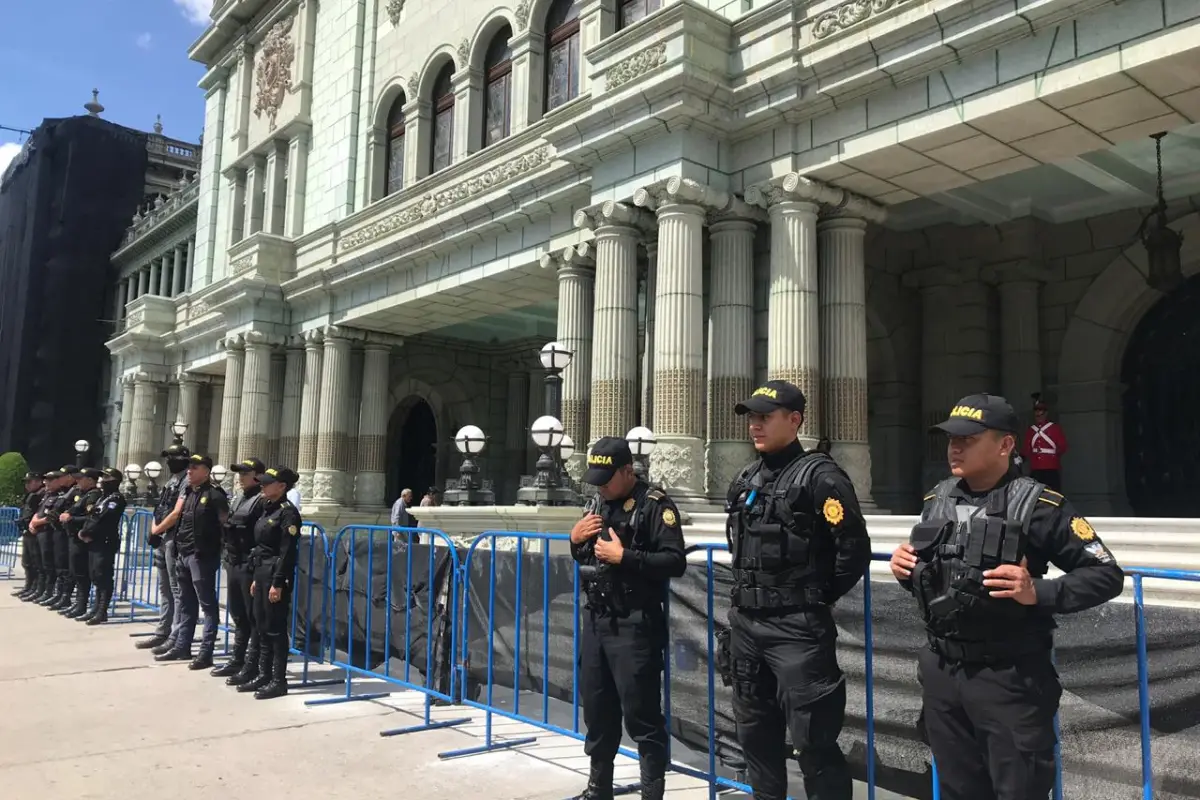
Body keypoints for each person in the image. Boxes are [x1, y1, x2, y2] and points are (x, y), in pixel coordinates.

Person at [889, 393, 1124, 800]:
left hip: (1008, 677)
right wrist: (905, 569)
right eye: (950, 439)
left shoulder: (1041, 506)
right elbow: (942, 578)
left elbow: (1106, 575)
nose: (955, 447)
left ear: (1005, 444)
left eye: (969, 438)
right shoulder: (937, 500)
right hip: (944, 673)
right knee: (957, 788)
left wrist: (1039, 591)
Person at [722, 380, 871, 800]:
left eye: (765, 417)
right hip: (747, 626)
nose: (755, 425)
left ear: (794, 420)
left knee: (813, 742)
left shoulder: (821, 477)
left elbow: (854, 551)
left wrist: (814, 597)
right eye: (752, 417)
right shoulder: (747, 476)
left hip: (797, 631)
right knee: (755, 735)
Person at [567, 437, 687, 800]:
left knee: (642, 715)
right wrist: (574, 540)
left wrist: (626, 557)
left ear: (627, 470)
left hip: (636, 623)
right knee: (597, 708)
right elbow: (586, 556)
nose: (601, 484)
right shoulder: (597, 503)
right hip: (598, 620)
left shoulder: (655, 505)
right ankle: (598, 787)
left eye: (607, 477)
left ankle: (652, 793)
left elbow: (675, 561)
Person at [153, 453, 229, 668]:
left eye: (195, 467)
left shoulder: (215, 495)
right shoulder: (188, 492)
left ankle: (206, 652)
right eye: (189, 467)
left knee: (208, 606)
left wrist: (217, 551)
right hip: (183, 554)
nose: (189, 471)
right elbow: (181, 522)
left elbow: (226, 527)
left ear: (206, 471)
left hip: (201, 557)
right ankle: (182, 646)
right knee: (186, 603)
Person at [242, 465, 303, 700]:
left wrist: (277, 582)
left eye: (268, 483)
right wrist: (258, 578)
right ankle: (263, 674)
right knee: (260, 625)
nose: (263, 486)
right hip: (261, 572)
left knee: (275, 628)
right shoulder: (268, 509)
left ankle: (278, 680)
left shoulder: (288, 513)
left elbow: (286, 552)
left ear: (282, 487)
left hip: (275, 574)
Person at [213, 458, 267, 685]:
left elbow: (261, 536)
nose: (240, 477)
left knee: (252, 617)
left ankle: (252, 665)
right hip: (234, 562)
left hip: (248, 564)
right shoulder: (238, 498)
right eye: (240, 473)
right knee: (238, 614)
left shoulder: (261, 501)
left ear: (257, 475)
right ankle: (237, 659)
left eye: (245, 473)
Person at [141, 444, 192, 652]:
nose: (169, 461)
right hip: (163, 537)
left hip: (174, 539)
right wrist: (154, 530)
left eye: (172, 457)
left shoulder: (186, 481)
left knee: (176, 589)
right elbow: (161, 507)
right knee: (164, 589)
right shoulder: (171, 480)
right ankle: (162, 631)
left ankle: (176, 635)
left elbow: (177, 512)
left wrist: (158, 530)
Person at [77, 467, 127, 625]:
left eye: (105, 478)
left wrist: (88, 532)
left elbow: (103, 519)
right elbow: (92, 516)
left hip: (105, 541)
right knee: (94, 575)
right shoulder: (102, 498)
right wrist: (84, 531)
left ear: (114, 481)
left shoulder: (116, 499)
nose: (102, 481)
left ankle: (102, 610)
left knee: (102, 575)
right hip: (94, 540)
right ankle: (95, 608)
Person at [58, 467, 104, 619]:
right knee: (76, 571)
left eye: (81, 479)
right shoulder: (81, 494)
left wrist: (71, 519)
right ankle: (78, 604)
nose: (77, 481)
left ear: (90, 480)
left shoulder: (94, 495)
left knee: (82, 573)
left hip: (81, 538)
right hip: (74, 536)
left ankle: (82, 605)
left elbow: (91, 517)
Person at [38, 466, 80, 610]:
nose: (59, 479)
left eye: (61, 476)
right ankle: (59, 594)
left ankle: (65, 596)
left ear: (70, 476)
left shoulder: (76, 492)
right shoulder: (64, 492)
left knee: (65, 566)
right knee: (58, 564)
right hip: (57, 531)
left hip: (66, 532)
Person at [28, 469, 70, 604]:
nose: (46, 482)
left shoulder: (62, 495)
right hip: (39, 532)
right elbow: (39, 511)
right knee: (38, 563)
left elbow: (53, 516)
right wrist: (32, 522)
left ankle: (50, 592)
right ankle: (39, 590)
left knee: (49, 564)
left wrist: (36, 522)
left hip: (48, 532)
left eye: (50, 480)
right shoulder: (47, 494)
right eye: (46, 480)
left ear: (59, 481)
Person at [1020, 393, 1068, 491]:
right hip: (1035, 468)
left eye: (1040, 412)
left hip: (1051, 467)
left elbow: (1063, 447)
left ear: (1045, 413)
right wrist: (1021, 458)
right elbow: (1026, 448)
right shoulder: (1031, 430)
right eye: (1036, 412)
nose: (1038, 415)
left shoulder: (1054, 428)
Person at [14, 472, 45, 601]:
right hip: (27, 531)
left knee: (36, 562)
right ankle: (29, 586)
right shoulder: (30, 494)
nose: (27, 484)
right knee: (27, 562)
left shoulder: (42, 494)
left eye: (30, 481)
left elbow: (39, 513)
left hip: (36, 532)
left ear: (38, 481)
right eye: (26, 482)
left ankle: (37, 588)